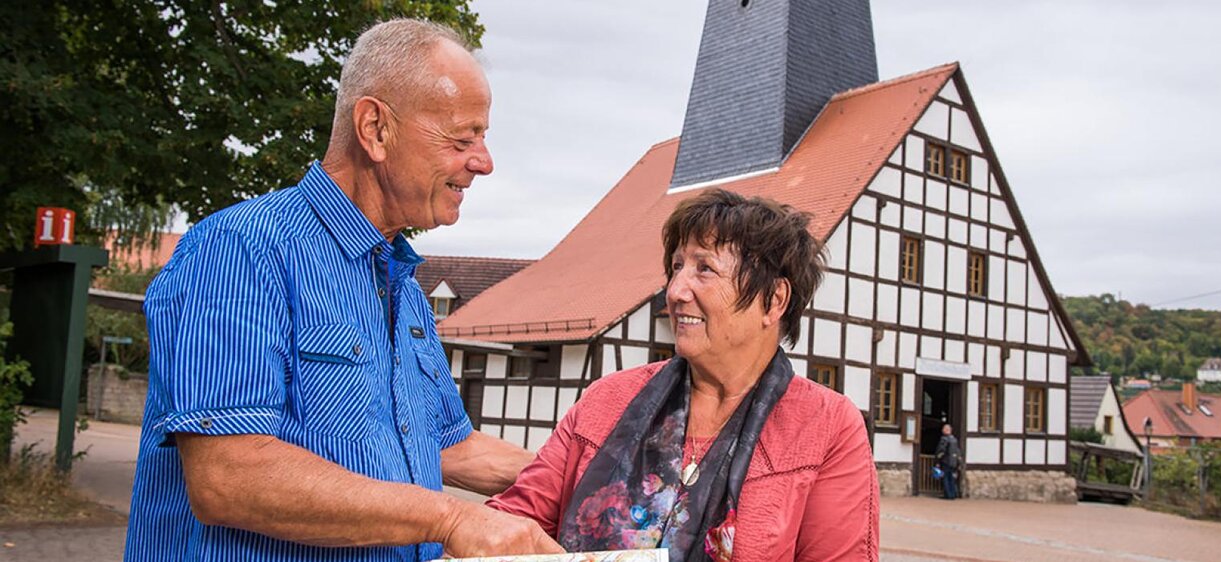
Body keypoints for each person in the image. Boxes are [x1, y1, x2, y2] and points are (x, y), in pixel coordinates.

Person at [123, 19, 563, 561]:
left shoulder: (402, 287)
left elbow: (449, 447)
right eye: (462, 138)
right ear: (375, 128)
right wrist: (451, 519)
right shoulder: (242, 249)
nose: (484, 162)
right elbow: (229, 474)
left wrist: (588, 474)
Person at [488, 189, 880, 561]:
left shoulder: (827, 427)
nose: (675, 291)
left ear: (774, 300)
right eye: (677, 267)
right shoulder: (608, 400)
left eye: (704, 269)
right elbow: (512, 524)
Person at [935, 424, 962, 500]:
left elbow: (941, 451)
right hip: (953, 462)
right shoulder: (954, 440)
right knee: (952, 478)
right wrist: (958, 462)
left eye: (943, 429)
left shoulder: (944, 439)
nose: (942, 430)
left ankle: (948, 495)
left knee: (945, 478)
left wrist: (937, 461)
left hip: (946, 461)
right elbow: (958, 452)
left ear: (946, 430)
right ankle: (953, 494)